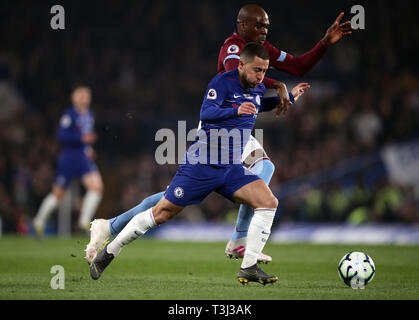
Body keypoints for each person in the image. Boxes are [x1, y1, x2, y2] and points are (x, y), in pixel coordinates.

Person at [84, 4, 352, 264]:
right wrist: (277, 83)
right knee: (175, 199)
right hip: (221, 127)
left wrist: (324, 44)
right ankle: (235, 239)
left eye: (267, 26)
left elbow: (297, 66)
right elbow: (241, 74)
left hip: (240, 128)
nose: (264, 30)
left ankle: (111, 226)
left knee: (250, 173)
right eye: (259, 25)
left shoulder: (262, 49)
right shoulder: (233, 47)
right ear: (242, 25)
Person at [89, 43, 309, 284]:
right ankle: (110, 252)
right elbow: (207, 113)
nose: (261, 77)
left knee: (268, 202)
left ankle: (249, 266)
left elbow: (258, 104)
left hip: (230, 169)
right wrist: (235, 111)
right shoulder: (222, 83)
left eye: (265, 71)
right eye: (257, 70)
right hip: (202, 165)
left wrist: (289, 98)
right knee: (161, 213)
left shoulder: (255, 88)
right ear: (242, 64)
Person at [33, 86, 104, 235]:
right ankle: (39, 220)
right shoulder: (69, 115)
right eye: (82, 96)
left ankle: (84, 222)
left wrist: (89, 149)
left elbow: (86, 137)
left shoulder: (89, 114)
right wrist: (81, 139)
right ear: (74, 98)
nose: (85, 99)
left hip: (83, 157)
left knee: (97, 187)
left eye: (87, 96)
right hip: (69, 158)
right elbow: (62, 136)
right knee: (58, 195)